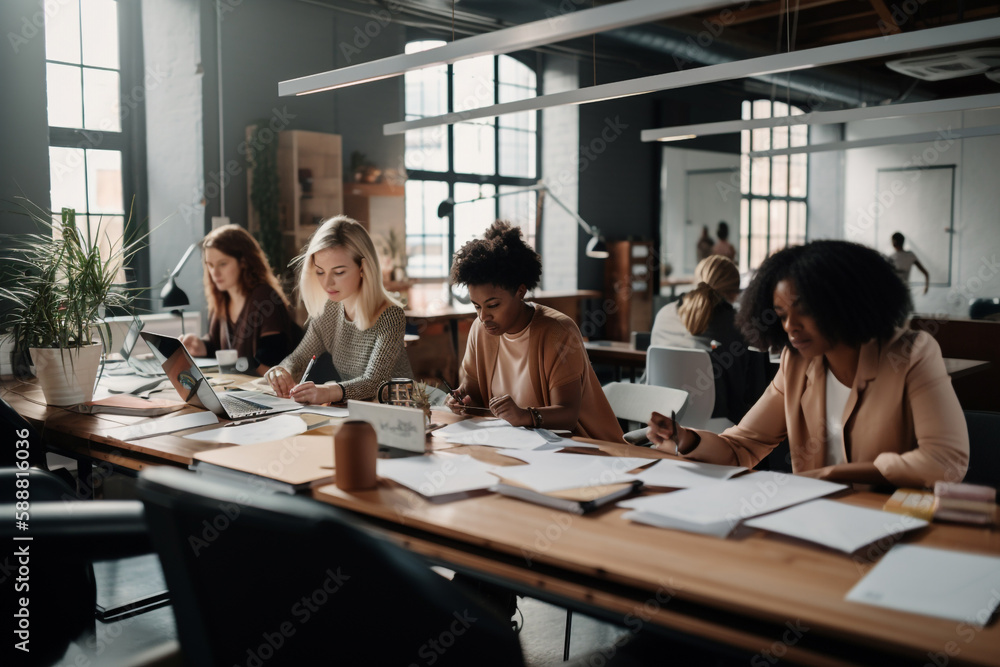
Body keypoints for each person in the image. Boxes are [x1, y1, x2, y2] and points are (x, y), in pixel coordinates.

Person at [646, 240, 969, 488]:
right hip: (817, 515)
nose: (790, 327)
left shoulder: (911, 353)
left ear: (844, 305)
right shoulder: (796, 362)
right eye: (782, 315)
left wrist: (832, 475)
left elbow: (945, 461)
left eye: (805, 310)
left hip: (894, 520)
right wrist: (686, 439)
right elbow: (743, 445)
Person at [444, 220, 623, 442]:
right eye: (476, 306)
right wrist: (461, 401)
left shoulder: (557, 331)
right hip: (520, 446)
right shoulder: (480, 330)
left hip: (582, 447)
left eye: (493, 305)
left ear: (520, 291)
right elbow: (475, 398)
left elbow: (568, 415)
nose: (483, 317)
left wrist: (525, 415)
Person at [265, 216, 412, 404]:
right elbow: (298, 358)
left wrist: (327, 392)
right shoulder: (330, 311)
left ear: (363, 267)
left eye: (339, 272)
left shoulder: (390, 315)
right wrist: (281, 371)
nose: (327, 283)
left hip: (400, 411)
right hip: (356, 412)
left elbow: (375, 382)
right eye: (320, 272)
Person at [651, 255, 767, 424]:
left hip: (662, 417)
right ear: (735, 293)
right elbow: (749, 391)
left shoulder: (664, 314)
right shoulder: (740, 324)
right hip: (718, 423)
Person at [179, 224, 302, 376]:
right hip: (238, 387)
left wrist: (238, 364)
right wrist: (201, 346)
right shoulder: (222, 299)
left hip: (267, 392)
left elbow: (271, 361)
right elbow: (220, 347)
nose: (214, 272)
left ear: (244, 261)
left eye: (222, 264)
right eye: (210, 265)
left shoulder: (263, 296)